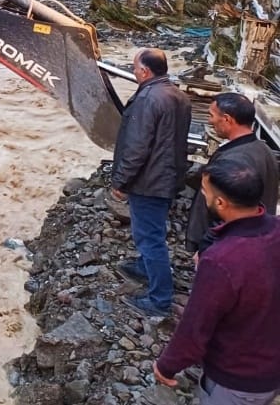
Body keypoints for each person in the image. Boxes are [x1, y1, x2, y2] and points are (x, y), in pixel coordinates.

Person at [152, 155, 280, 404]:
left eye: (204, 191)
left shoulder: (221, 260)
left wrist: (166, 366)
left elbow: (196, 325)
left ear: (220, 202)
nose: (204, 196)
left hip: (237, 379)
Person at [111, 48, 192, 316]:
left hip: (149, 181)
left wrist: (121, 181)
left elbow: (137, 147)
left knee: (150, 239)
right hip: (168, 177)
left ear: (145, 71)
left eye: (135, 68)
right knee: (152, 231)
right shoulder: (178, 95)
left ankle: (159, 300)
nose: (133, 72)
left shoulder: (147, 98)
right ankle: (145, 268)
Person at [186, 92, 279, 256]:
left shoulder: (237, 160)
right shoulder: (263, 149)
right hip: (249, 241)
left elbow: (229, 210)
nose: (209, 121)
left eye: (212, 115)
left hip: (225, 246)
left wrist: (208, 246)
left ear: (227, 119)